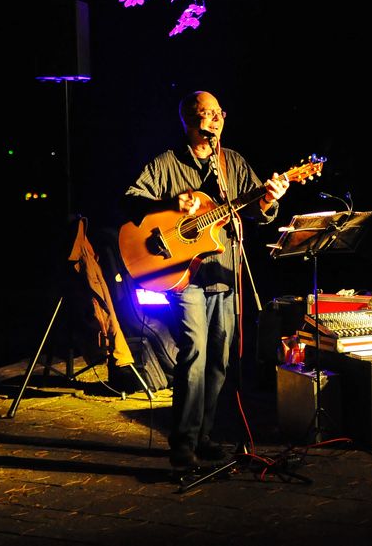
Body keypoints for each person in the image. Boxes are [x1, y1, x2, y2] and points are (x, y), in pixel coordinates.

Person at [121, 91, 290, 469]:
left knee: (221, 358)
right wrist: (169, 205)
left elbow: (261, 216)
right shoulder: (166, 163)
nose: (212, 121)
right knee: (195, 351)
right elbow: (130, 199)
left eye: (218, 114)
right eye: (204, 114)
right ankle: (181, 442)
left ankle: (204, 435)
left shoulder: (233, 164)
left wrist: (267, 201)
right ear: (187, 120)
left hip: (224, 272)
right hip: (183, 276)